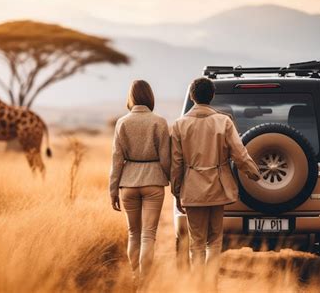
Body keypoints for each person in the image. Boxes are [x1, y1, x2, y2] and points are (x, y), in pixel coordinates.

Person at [170, 77, 261, 274]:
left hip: (192, 189)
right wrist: (254, 172)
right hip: (218, 188)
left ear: (192, 97)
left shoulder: (178, 125)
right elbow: (239, 153)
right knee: (214, 240)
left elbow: (176, 163)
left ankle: (198, 284)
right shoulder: (224, 122)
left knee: (197, 243)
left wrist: (176, 192)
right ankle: (211, 282)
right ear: (212, 96)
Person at [109, 80, 170, 286]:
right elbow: (165, 158)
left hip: (128, 183)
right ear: (149, 97)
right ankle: (146, 282)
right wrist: (173, 181)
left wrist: (113, 190)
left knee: (133, 233)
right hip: (153, 181)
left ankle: (135, 278)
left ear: (131, 97)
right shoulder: (159, 121)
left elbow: (117, 159)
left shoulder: (122, 122)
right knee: (148, 235)